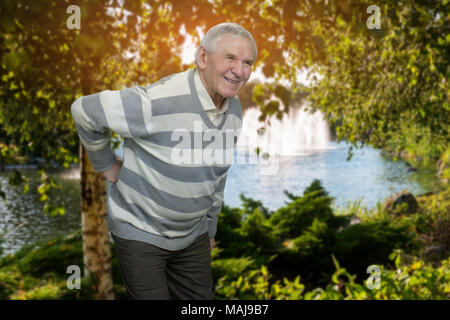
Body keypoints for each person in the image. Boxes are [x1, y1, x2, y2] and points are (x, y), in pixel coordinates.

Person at [71, 22, 257, 300]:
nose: (240, 71)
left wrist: (210, 228)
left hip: (193, 235)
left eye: (247, 62)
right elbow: (84, 110)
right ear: (203, 57)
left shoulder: (234, 108)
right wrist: (107, 165)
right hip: (140, 232)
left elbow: (217, 173)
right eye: (230, 58)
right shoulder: (158, 101)